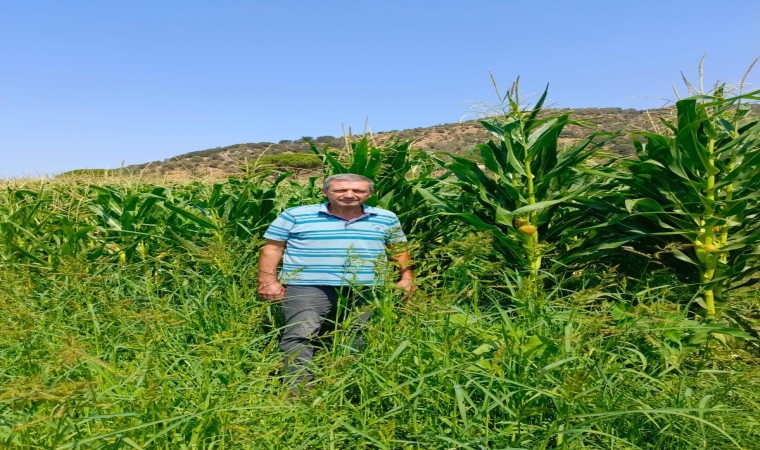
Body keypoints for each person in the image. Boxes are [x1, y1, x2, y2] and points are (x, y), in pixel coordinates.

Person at [257, 173, 414, 387]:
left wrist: (406, 277)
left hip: (367, 286)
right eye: (340, 190)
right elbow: (272, 248)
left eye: (358, 191)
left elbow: (398, 249)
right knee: (301, 333)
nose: (349, 195)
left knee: (361, 334)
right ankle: (298, 390)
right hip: (308, 284)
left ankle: (353, 385)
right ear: (325, 192)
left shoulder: (385, 217)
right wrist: (267, 281)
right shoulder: (296, 215)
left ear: (370, 194)